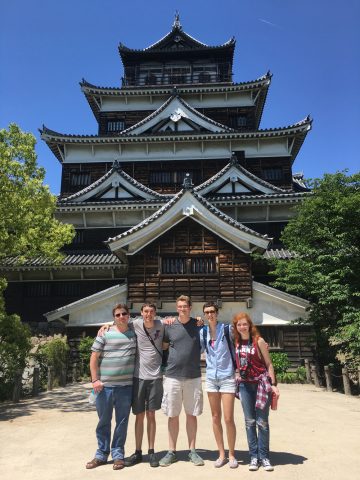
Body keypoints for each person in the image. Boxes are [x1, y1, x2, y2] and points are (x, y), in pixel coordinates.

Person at [97, 302, 168, 468]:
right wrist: (106, 325)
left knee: (151, 415)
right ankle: (138, 451)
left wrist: (198, 320)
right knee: (139, 415)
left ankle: (151, 451)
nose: (148, 314)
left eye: (151, 311)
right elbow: (119, 322)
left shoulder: (162, 324)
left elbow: (176, 320)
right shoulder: (135, 324)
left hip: (156, 377)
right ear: (141, 313)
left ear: (155, 313)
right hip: (138, 377)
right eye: (145, 311)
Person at [86, 303, 136, 470]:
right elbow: (94, 357)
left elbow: (156, 320)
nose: (121, 316)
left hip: (126, 388)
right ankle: (101, 454)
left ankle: (118, 454)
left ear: (128, 315)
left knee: (122, 422)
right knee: (103, 422)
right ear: (114, 318)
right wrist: (95, 380)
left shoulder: (135, 332)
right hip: (104, 387)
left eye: (124, 314)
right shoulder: (105, 334)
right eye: (118, 315)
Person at [159, 295, 204, 467]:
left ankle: (192, 451)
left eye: (185, 306)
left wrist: (200, 319)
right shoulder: (169, 325)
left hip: (193, 376)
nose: (182, 308)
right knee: (172, 414)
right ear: (176, 308)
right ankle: (172, 451)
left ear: (190, 307)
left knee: (191, 414)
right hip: (172, 376)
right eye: (179, 306)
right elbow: (163, 346)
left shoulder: (198, 325)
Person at [232, 312, 280, 472]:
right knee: (249, 422)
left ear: (250, 325)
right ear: (236, 327)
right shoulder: (237, 342)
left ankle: (264, 457)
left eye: (244, 324)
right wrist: (237, 374)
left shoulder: (258, 341)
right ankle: (254, 456)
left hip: (260, 384)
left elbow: (269, 364)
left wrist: (273, 383)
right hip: (245, 385)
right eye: (239, 325)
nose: (242, 327)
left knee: (262, 422)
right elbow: (237, 364)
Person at [200, 302, 238, 468]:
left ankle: (232, 454)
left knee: (229, 418)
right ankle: (221, 453)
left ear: (217, 312)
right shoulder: (203, 332)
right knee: (215, 417)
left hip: (227, 376)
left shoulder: (227, 329)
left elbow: (242, 341)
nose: (210, 315)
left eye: (212, 311)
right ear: (204, 314)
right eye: (207, 312)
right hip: (211, 378)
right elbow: (198, 349)